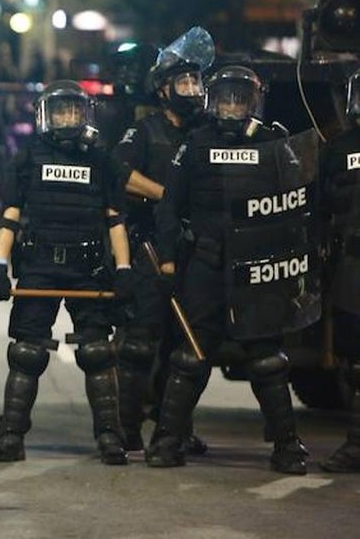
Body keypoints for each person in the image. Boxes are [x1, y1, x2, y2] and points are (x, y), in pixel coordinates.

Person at [146, 65, 315, 474]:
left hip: (257, 268)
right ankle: (168, 441)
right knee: (191, 355)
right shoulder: (197, 142)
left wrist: (295, 264)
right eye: (226, 98)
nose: (233, 106)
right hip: (206, 261)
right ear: (213, 100)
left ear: (252, 101)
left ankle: (288, 446)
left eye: (241, 99)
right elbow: (170, 207)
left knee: (267, 359)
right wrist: (168, 259)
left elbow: (298, 207)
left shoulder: (275, 142)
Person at [0, 80, 133, 466]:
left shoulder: (101, 159)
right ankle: (10, 436)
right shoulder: (27, 157)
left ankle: (109, 436)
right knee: (26, 354)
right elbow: (10, 216)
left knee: (98, 353)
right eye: (61, 111)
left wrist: (123, 269)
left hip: (90, 267)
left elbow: (115, 218)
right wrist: (0, 268)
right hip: (39, 265)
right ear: (45, 115)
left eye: (74, 111)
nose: (68, 118)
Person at [111, 27, 213, 453]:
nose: (191, 90)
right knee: (139, 343)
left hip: (193, 250)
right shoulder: (145, 130)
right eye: (183, 83)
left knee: (185, 345)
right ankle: (128, 429)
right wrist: (167, 197)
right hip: (149, 248)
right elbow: (119, 175)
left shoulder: (206, 131)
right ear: (163, 89)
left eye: (195, 81)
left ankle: (175, 430)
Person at [321, 67, 360, 473]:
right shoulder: (338, 147)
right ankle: (356, 445)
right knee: (355, 361)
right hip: (353, 264)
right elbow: (321, 204)